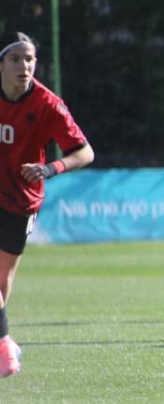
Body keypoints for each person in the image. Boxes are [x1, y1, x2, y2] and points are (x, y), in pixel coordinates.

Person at [0, 32, 95, 378]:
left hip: (20, 201)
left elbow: (85, 152)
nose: (24, 66)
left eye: (29, 59)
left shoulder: (46, 104)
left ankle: (4, 343)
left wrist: (50, 168)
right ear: (1, 64)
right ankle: (4, 344)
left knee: (2, 282)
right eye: (15, 59)